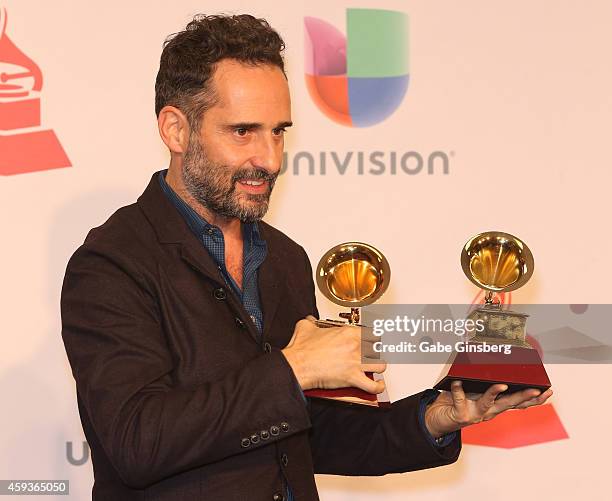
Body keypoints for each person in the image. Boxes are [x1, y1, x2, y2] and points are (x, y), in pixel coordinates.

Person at [60, 14, 553, 501]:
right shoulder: (110, 265)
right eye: (243, 132)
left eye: (279, 132)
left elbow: (304, 439)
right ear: (176, 130)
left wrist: (437, 417)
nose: (270, 159)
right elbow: (136, 442)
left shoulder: (283, 258)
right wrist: (294, 368)